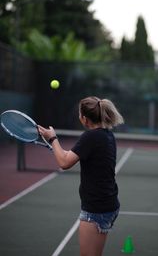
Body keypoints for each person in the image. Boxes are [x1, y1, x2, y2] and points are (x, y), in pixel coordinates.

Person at [38, 96, 124, 256]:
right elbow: (68, 156)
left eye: (79, 114)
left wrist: (53, 138)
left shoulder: (90, 137)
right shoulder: (106, 135)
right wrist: (53, 141)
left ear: (84, 119)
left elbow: (64, 163)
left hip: (96, 209)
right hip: (108, 204)